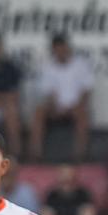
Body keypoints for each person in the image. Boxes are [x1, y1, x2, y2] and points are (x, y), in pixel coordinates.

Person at [30, 34, 94, 162]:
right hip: (56, 107)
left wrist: (76, 106)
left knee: (82, 113)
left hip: (75, 106)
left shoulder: (80, 65)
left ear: (67, 48)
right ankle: (35, 154)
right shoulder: (48, 67)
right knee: (38, 112)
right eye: (57, 50)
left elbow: (86, 91)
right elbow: (48, 93)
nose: (60, 52)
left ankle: (79, 155)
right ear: (53, 50)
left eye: (62, 49)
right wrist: (55, 107)